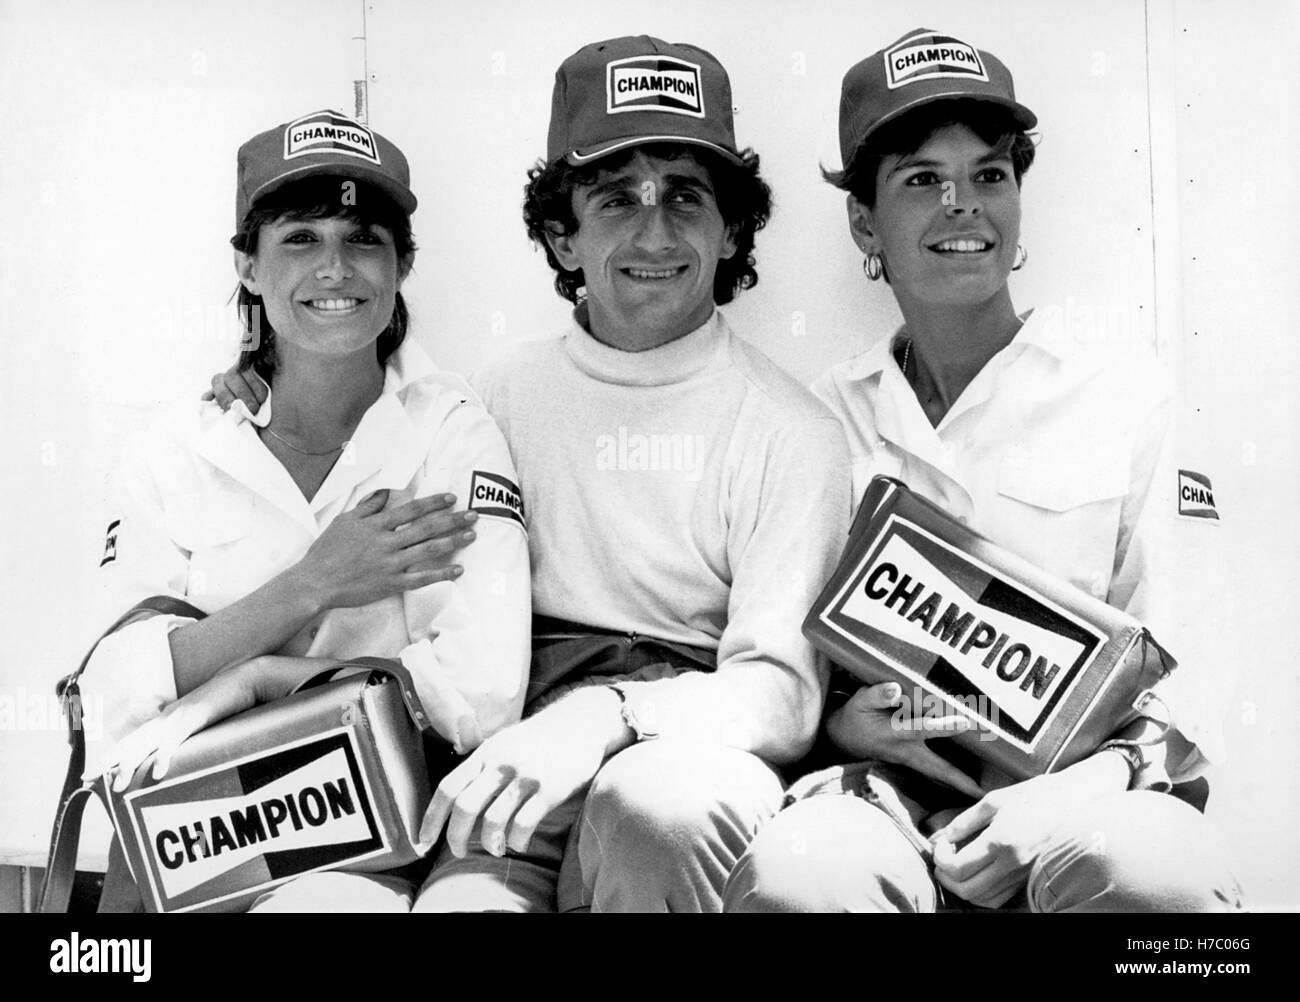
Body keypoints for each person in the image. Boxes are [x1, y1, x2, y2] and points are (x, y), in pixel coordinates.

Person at [214, 36, 850, 912]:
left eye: (686, 197)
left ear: (731, 226)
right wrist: (253, 381)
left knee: (659, 808)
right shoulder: (490, 397)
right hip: (511, 757)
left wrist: (608, 717)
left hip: (681, 754)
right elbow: (357, 398)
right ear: (561, 232)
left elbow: (781, 693)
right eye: (617, 197)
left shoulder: (791, 431)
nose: (655, 231)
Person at [722, 28, 1243, 912]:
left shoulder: (1127, 394)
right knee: (798, 876)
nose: (962, 203)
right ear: (863, 221)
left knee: (1160, 878)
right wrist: (845, 725)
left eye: (989, 175)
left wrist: (1066, 797)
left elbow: (1200, 672)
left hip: (1090, 791)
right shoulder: (812, 418)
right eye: (922, 179)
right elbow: (778, 672)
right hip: (876, 790)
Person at [87, 109, 531, 912]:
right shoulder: (172, 449)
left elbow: (479, 693)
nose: (335, 269)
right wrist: (313, 583)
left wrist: (255, 679)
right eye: (300, 238)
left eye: (363, 238)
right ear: (248, 267)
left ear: (401, 266)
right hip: (192, 834)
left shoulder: (449, 433)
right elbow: (118, 693)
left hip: (370, 840)